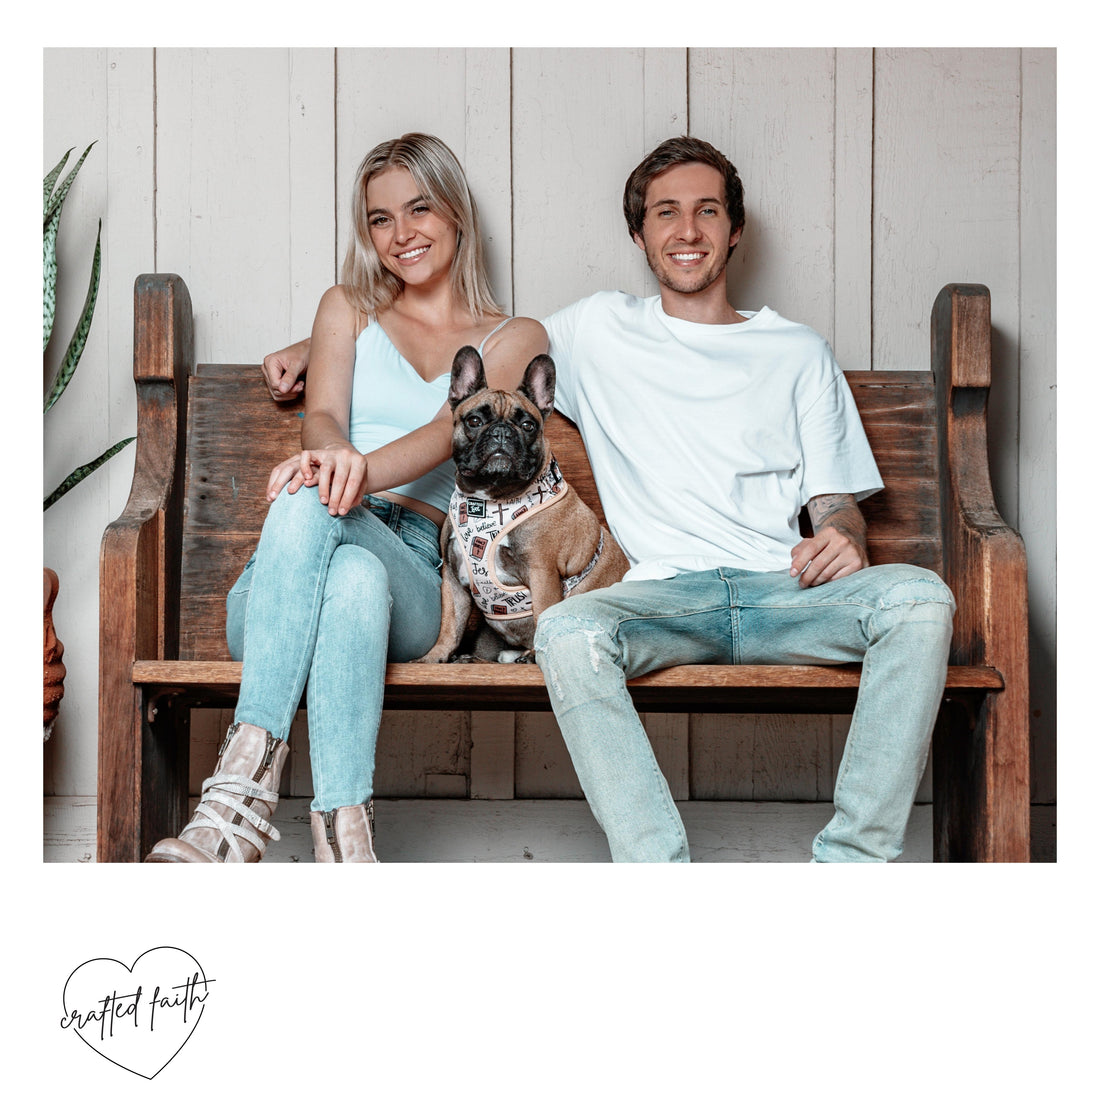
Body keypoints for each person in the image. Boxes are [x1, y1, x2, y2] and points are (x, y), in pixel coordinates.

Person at [260, 135, 956, 864]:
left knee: (922, 599)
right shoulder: (594, 329)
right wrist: (321, 346)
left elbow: (836, 500)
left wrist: (845, 533)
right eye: (666, 213)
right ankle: (657, 876)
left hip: (781, 587)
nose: (686, 231)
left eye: (707, 211)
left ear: (735, 229)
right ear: (639, 234)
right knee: (564, 634)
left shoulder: (800, 351)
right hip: (656, 595)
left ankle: (850, 868)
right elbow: (481, 343)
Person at [146, 133, 546, 863]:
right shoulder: (347, 309)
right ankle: (344, 848)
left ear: (457, 213)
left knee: (316, 506)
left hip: (418, 575)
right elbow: (323, 418)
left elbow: (444, 430)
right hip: (281, 591)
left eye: (419, 210)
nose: (402, 235)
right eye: (380, 219)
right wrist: (331, 456)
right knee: (342, 563)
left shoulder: (513, 336)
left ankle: (234, 806)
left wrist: (348, 471)